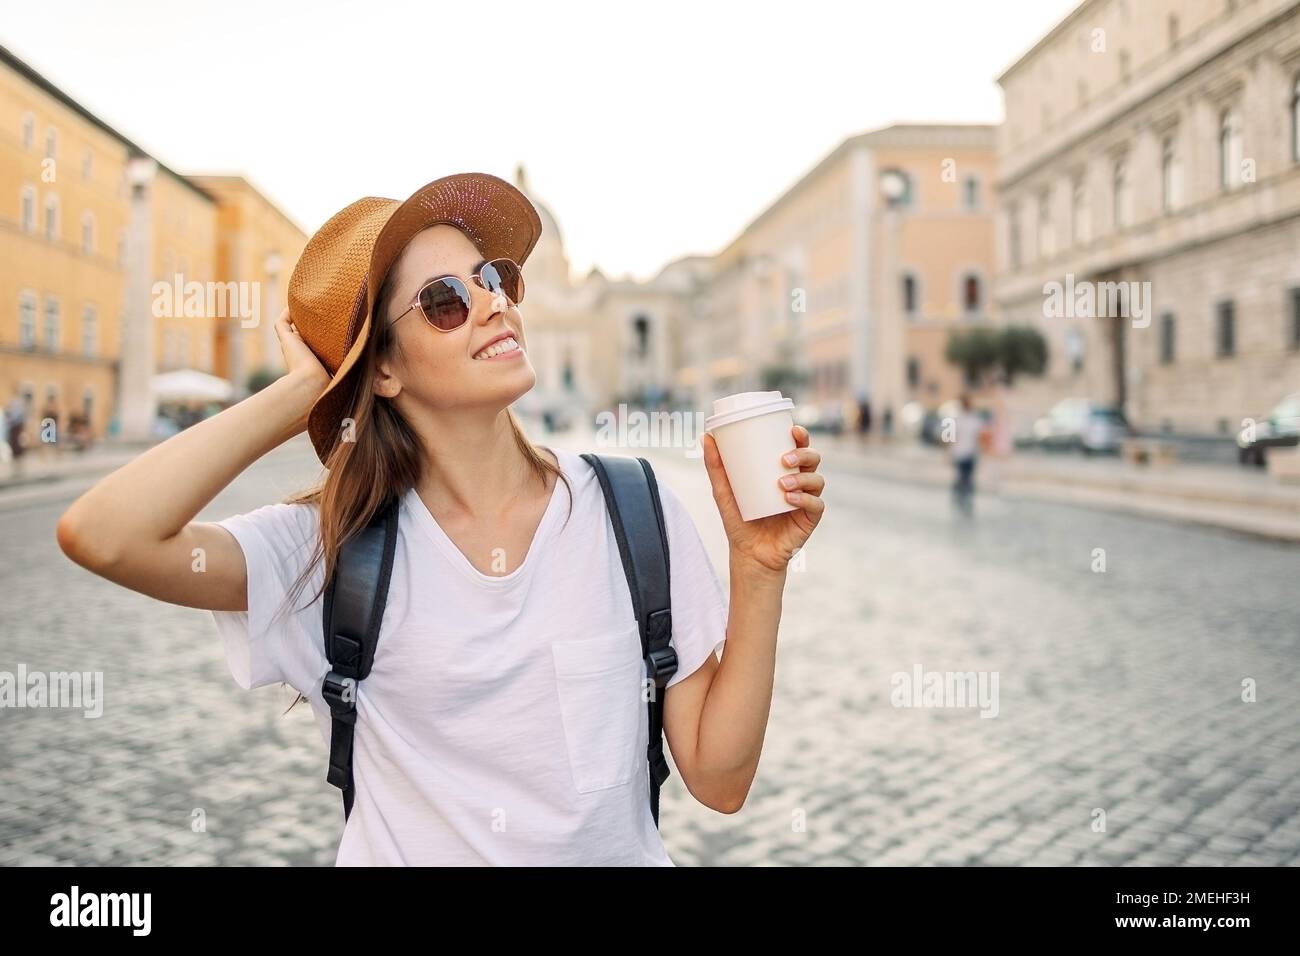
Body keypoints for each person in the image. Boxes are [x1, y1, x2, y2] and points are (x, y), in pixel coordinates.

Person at [56, 172, 827, 866]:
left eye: (495, 278)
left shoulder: (634, 510)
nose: (494, 303)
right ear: (384, 369)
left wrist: (758, 568)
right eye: (445, 301)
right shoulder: (334, 550)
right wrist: (304, 395)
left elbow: (720, 781)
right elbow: (104, 535)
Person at [949, 394, 985, 514]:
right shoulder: (972, 419)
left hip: (964, 453)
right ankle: (962, 498)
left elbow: (950, 439)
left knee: (964, 477)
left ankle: (961, 498)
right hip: (965, 453)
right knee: (965, 477)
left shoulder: (959, 419)